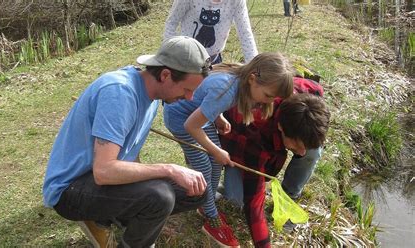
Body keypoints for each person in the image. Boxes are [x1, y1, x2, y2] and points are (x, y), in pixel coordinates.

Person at [42, 36, 212, 248]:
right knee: (160, 197)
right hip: (71, 190)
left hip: (101, 182)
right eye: (187, 90)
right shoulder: (120, 93)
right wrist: (168, 170)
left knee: (197, 189)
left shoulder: (152, 95)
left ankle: (111, 219)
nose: (189, 98)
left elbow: (129, 154)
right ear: (165, 75)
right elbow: (103, 171)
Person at [163, 52, 294, 247]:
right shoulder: (227, 90)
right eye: (268, 95)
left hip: (198, 118)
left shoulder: (240, 83)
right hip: (182, 120)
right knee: (205, 169)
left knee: (215, 165)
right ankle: (211, 217)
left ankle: (205, 205)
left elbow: (205, 102)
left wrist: (218, 117)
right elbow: (191, 126)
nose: (268, 101)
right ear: (252, 80)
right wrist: (216, 150)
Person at [219, 77, 331, 247]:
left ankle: (290, 196)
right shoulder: (256, 130)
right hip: (234, 138)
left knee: (313, 152)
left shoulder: (311, 93)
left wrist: (302, 143)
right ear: (281, 127)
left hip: (272, 133)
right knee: (237, 202)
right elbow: (254, 205)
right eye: (297, 145)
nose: (301, 153)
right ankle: (215, 186)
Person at [164, 0, 258, 64]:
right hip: (186, 58)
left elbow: (245, 33)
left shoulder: (236, 1)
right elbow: (171, 23)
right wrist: (171, 55)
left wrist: (254, 66)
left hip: (214, 60)